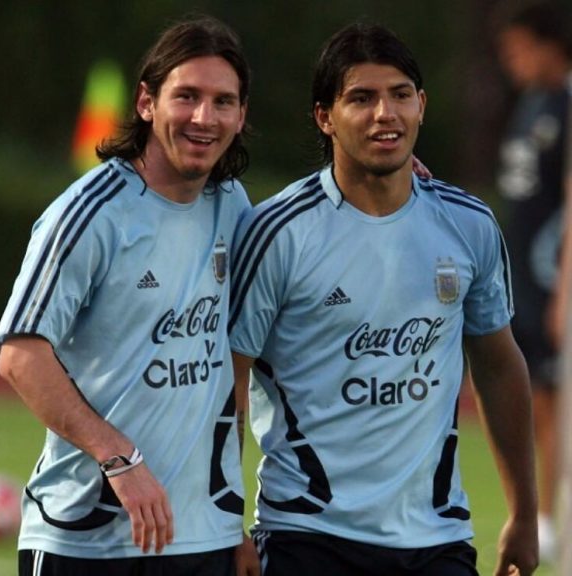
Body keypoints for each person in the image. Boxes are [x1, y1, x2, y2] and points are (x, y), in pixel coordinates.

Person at [229, 23, 538, 576]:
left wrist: (525, 513)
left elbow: (497, 365)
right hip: (307, 536)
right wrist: (226, 522)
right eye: (361, 98)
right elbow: (228, 383)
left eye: (400, 95)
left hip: (438, 537)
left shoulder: (468, 224)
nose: (384, 114)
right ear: (325, 116)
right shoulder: (277, 231)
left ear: (421, 105)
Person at [0, 15, 259, 575]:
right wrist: (118, 456)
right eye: (186, 96)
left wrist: (397, 180)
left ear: (241, 116)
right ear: (146, 102)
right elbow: (21, 355)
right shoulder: (90, 213)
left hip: (202, 541)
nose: (203, 117)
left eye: (222, 102)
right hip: (85, 541)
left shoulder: (235, 208)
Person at [494, 1, 572, 563]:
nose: (514, 62)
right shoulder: (529, 104)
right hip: (520, 274)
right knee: (532, 398)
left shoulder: (566, 103)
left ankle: (552, 515)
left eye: (522, 49)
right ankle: (538, 514)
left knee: (555, 399)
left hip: (551, 278)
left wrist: (565, 289)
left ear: (550, 45)